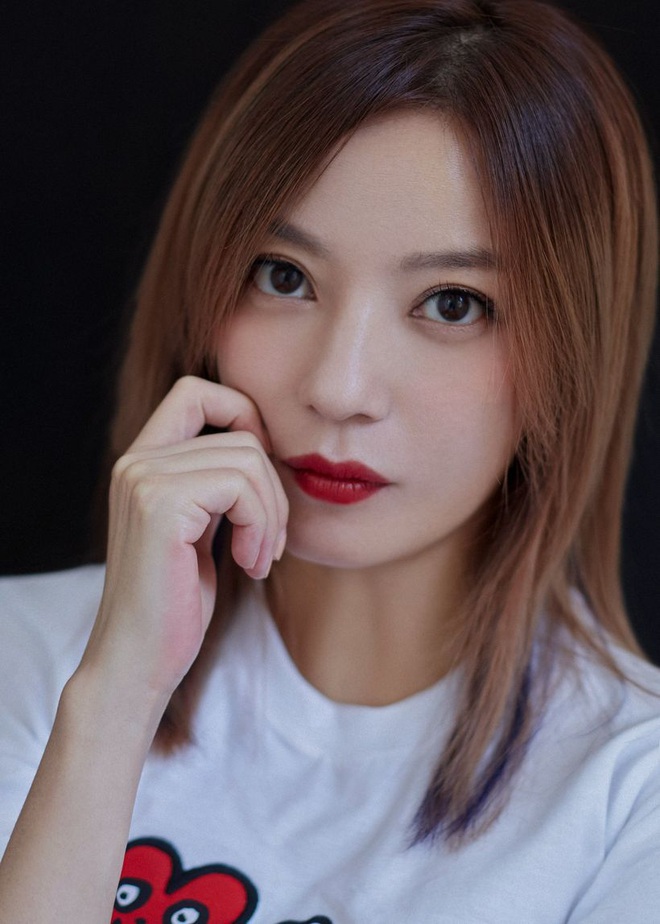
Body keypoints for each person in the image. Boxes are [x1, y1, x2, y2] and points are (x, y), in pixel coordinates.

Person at [0, 0, 658, 920]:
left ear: (573, 352)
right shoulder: (27, 658)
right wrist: (115, 700)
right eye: (284, 276)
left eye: (454, 303)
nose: (339, 388)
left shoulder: (631, 796)